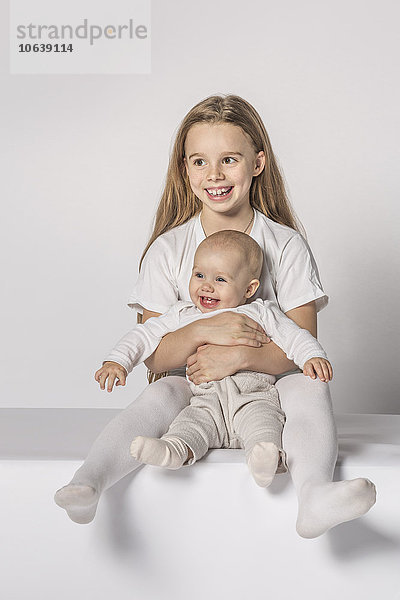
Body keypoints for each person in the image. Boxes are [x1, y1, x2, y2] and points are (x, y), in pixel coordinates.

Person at [54, 94, 376, 538]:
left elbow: (303, 347)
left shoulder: (284, 245)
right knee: (158, 395)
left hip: (267, 393)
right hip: (194, 391)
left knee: (309, 387)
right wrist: (206, 328)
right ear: (184, 169)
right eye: (199, 162)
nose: (215, 175)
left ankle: (315, 495)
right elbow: (155, 356)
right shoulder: (168, 250)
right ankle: (87, 482)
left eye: (229, 159)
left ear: (257, 163)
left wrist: (238, 359)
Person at [95, 231, 332, 490]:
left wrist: (313, 355)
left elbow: (295, 336)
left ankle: (264, 460)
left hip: (254, 396)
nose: (206, 286)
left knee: (263, 426)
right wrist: (118, 361)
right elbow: (144, 334)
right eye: (199, 275)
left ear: (250, 288)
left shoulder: (262, 311)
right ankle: (173, 450)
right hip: (204, 398)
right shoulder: (184, 314)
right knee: (191, 424)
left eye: (220, 279)